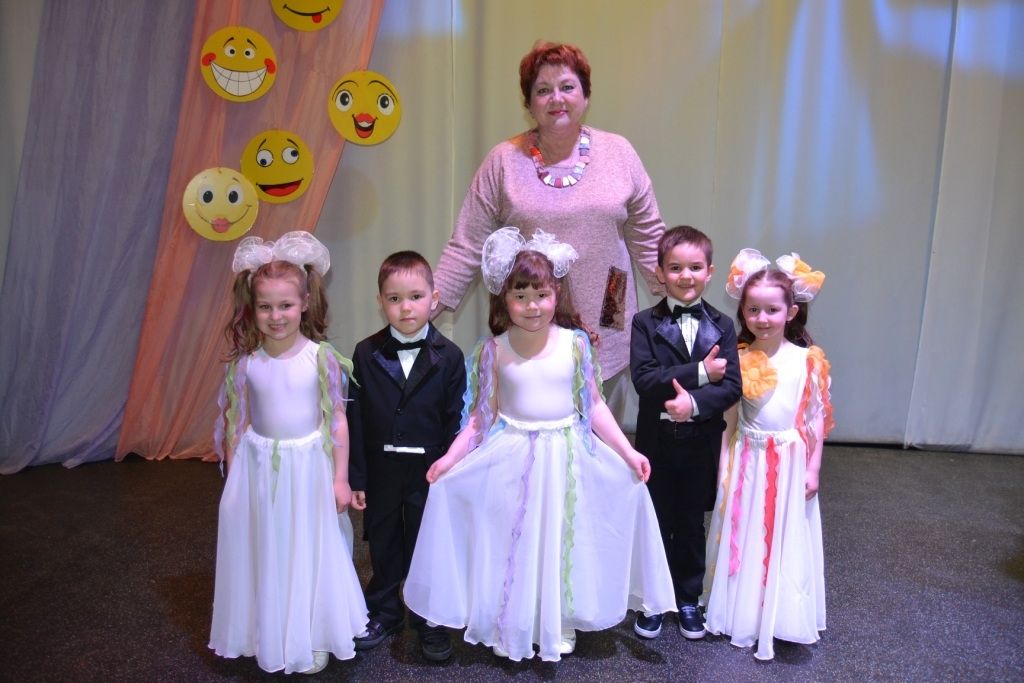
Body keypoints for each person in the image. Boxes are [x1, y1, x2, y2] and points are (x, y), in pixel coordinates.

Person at [403, 228, 675, 662]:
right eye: (521, 296)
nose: (532, 306)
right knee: (511, 536)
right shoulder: (494, 351)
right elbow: (480, 417)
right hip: (511, 455)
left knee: (560, 535)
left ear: (556, 294)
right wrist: (450, 459)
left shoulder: (574, 344)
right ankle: (513, 618)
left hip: (564, 457)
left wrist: (628, 452)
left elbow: (594, 405)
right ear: (504, 299)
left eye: (541, 295)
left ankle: (557, 617)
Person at [432, 41, 666, 419]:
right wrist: (427, 303)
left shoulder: (619, 153)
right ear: (528, 103)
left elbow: (649, 234)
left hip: (608, 319)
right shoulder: (504, 161)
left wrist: (677, 289)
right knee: (536, 433)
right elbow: (467, 242)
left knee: (602, 435)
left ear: (586, 95)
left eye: (567, 87)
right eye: (543, 90)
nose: (556, 98)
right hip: (531, 324)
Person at [209, 231, 367, 675]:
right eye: (265, 307)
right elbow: (237, 425)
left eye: (285, 305)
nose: (276, 316)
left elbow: (337, 420)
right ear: (252, 307)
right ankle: (270, 628)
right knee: (268, 547)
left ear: (305, 304)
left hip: (308, 470)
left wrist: (340, 478)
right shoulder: (246, 365)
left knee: (308, 549)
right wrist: (235, 481)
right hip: (260, 470)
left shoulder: (322, 358)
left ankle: (314, 632)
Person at [701, 249, 833, 661]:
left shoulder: (807, 361)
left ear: (791, 312)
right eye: (753, 309)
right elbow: (729, 420)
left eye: (772, 310)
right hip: (749, 458)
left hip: (790, 462)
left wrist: (813, 468)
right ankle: (744, 610)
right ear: (743, 311)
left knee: (784, 532)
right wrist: (724, 467)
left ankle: (783, 612)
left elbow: (814, 418)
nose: (762, 318)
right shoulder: (739, 358)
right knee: (746, 529)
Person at [347, 251, 466, 662]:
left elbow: (456, 419)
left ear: (434, 298)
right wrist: (357, 477)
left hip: (428, 471)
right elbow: (355, 419)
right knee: (382, 539)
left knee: (425, 541)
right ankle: (385, 610)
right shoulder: (365, 352)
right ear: (380, 301)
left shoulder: (450, 356)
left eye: (415, 296)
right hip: (381, 469)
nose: (406, 307)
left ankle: (428, 617)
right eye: (394, 298)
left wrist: (449, 469)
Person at [629, 225, 743, 641]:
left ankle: (688, 597)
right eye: (675, 268)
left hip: (700, 443)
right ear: (660, 273)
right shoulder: (644, 323)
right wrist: (701, 372)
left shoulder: (723, 325)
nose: (685, 276)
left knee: (692, 521)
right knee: (657, 520)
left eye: (695, 267)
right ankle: (653, 600)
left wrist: (691, 405)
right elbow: (645, 379)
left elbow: (732, 386)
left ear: (709, 272)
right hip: (657, 444)